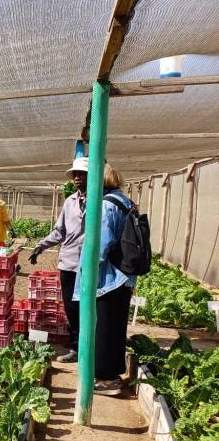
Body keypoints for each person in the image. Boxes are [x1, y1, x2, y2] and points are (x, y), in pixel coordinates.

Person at [73, 164, 135, 396]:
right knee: (115, 327)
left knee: (104, 328)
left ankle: (106, 379)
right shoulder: (123, 200)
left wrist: (87, 272)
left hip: (109, 278)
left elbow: (100, 244)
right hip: (122, 277)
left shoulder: (107, 204)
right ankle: (112, 375)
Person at [29, 157, 88, 363]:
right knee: (71, 308)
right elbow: (59, 231)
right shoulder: (70, 201)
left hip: (91, 266)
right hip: (69, 263)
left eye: (82, 174)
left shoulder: (101, 201)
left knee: (88, 308)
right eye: (75, 175)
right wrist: (41, 246)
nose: (77, 178)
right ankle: (75, 347)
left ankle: (88, 348)